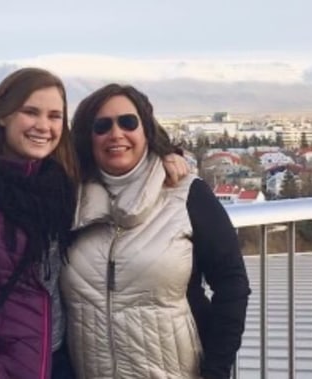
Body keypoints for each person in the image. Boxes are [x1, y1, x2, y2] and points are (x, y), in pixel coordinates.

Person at [0, 68, 189, 379]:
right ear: (1, 116)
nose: (43, 126)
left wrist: (164, 156)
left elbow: (116, 157)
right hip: (1, 369)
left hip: (57, 361)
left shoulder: (58, 180)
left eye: (55, 116)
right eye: (30, 112)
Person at [61, 83, 251, 379]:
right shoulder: (68, 200)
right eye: (102, 126)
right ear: (87, 137)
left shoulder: (187, 194)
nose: (116, 134)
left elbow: (232, 284)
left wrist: (215, 370)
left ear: (146, 130)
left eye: (128, 122)